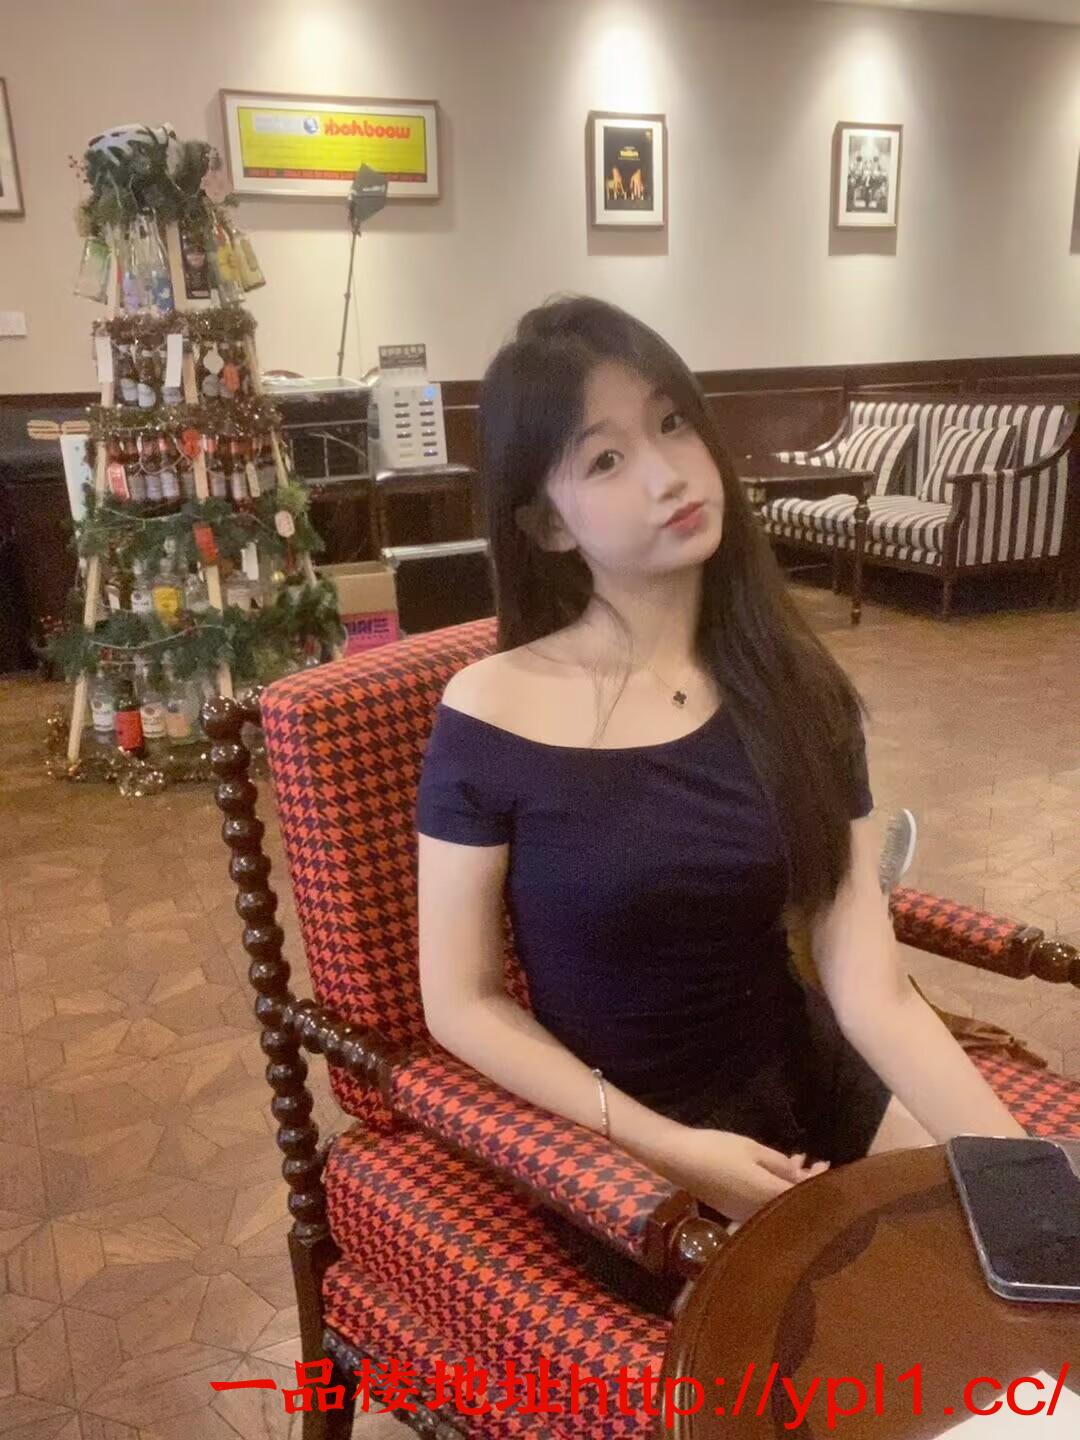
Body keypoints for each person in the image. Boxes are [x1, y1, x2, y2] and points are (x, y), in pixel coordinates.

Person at [415, 297, 1025, 1314]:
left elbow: (867, 983)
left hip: (811, 1079)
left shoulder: (799, 688)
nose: (667, 474)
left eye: (672, 423)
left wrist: (1025, 1178)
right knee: (838, 1355)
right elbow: (462, 1001)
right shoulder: (489, 711)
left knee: (1001, 1301)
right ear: (547, 523)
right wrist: (670, 1148)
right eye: (606, 460)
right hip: (630, 1151)